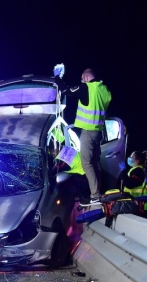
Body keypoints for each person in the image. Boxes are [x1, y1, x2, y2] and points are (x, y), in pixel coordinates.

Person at [53, 64, 112, 205]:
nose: (81, 81)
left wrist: (57, 77)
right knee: (96, 163)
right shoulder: (104, 90)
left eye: (82, 79)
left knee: (86, 163)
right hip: (98, 132)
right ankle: (99, 192)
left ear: (86, 77)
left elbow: (65, 90)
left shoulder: (87, 88)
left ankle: (95, 195)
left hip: (88, 132)